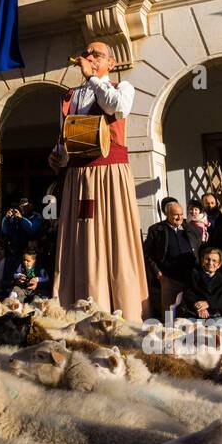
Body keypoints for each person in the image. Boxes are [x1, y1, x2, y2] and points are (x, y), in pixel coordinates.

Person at [49, 41, 147, 319]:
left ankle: (121, 308)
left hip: (109, 174)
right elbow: (67, 137)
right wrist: (58, 157)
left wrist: (92, 77)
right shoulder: (69, 96)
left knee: (114, 236)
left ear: (111, 63)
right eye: (87, 53)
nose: (90, 57)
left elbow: (115, 109)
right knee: (79, 237)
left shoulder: (122, 88)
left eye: (98, 55)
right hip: (78, 176)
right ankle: (76, 302)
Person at [144, 199, 198, 314]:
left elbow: (199, 248)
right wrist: (157, 272)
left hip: (191, 277)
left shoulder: (191, 229)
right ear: (167, 214)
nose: (179, 218)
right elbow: (148, 253)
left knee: (191, 311)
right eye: (175, 215)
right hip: (169, 278)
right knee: (169, 313)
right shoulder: (156, 230)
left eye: (181, 214)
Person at [182, 245, 222, 322]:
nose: (210, 263)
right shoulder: (193, 275)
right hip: (194, 313)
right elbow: (188, 293)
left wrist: (208, 303)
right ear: (202, 260)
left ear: (219, 264)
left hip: (216, 315)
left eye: (214, 260)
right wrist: (199, 307)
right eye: (207, 259)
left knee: (219, 330)